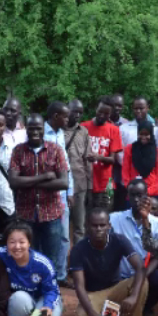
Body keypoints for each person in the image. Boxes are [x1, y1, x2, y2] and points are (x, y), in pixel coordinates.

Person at [71, 208, 148, 316]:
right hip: (93, 294)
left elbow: (140, 268)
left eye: (102, 225)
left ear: (109, 226)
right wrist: (92, 313)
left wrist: (134, 296)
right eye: (94, 225)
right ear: (87, 226)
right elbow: (79, 287)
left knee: (143, 281)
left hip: (115, 290)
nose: (99, 229)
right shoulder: (78, 249)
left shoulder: (119, 240)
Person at [8, 113, 69, 262]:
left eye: (38, 128)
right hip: (25, 213)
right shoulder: (18, 151)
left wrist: (27, 182)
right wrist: (45, 177)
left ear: (43, 129)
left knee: (50, 258)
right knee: (27, 256)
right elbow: (13, 182)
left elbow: (64, 183)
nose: (35, 132)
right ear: (26, 129)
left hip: (51, 213)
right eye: (31, 128)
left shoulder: (56, 150)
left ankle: (50, 284)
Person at [109, 179, 158, 315]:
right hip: (119, 276)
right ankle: (113, 311)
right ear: (127, 196)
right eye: (132, 195)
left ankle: (144, 308)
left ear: (147, 196)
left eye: (140, 195)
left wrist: (142, 276)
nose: (136, 199)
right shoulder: (114, 219)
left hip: (145, 274)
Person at [44, 101, 75, 286]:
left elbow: (66, 165)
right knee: (47, 236)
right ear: (56, 116)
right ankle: (47, 275)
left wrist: (70, 190)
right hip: (46, 194)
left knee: (64, 235)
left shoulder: (60, 134)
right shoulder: (39, 132)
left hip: (62, 194)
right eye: (65, 116)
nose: (68, 119)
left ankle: (61, 275)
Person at [82, 96, 122, 211]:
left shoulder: (114, 130)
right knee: (86, 220)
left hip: (107, 184)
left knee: (105, 217)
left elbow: (113, 159)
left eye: (107, 113)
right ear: (96, 108)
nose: (102, 115)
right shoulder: (84, 127)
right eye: (100, 112)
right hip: (86, 182)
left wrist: (98, 157)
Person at [65, 99, 91, 245]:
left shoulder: (83, 132)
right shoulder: (56, 131)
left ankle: (78, 260)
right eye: (75, 111)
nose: (77, 115)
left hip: (79, 184)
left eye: (80, 113)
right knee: (62, 228)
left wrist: (90, 186)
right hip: (60, 186)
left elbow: (88, 160)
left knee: (79, 226)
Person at [122, 120, 158, 197]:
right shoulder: (130, 149)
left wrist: (147, 192)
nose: (143, 137)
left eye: (147, 134)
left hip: (152, 194)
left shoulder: (157, 151)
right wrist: (131, 188)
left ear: (151, 134)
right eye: (141, 134)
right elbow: (125, 173)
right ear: (137, 134)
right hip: (133, 193)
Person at [110, 94, 130, 210]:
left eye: (120, 105)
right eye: (114, 105)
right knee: (108, 202)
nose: (117, 108)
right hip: (108, 173)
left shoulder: (126, 124)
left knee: (121, 204)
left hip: (123, 173)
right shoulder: (104, 122)